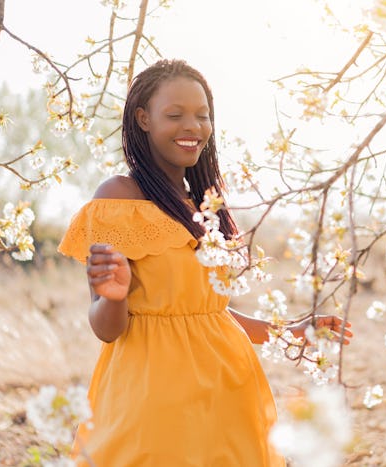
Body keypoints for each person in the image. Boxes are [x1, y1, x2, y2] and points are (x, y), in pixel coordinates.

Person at [57, 58, 353, 466]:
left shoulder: (204, 204)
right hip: (155, 396)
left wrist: (291, 331)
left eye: (202, 115)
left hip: (230, 391)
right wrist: (114, 296)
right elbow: (107, 329)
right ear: (143, 119)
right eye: (174, 115)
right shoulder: (118, 197)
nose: (192, 126)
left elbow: (208, 314)